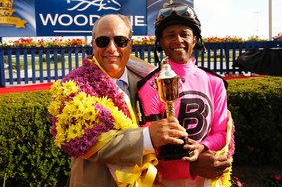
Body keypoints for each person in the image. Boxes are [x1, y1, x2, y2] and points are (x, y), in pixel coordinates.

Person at [49, 13, 232, 187]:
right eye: (103, 41)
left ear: (130, 44)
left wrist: (198, 154)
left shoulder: (147, 80)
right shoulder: (74, 88)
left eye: (120, 41)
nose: (111, 48)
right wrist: (147, 137)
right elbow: (92, 142)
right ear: (93, 44)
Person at [137, 2, 235, 186]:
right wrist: (190, 166)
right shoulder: (149, 85)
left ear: (195, 39)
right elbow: (152, 143)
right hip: (165, 180)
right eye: (170, 35)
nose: (178, 40)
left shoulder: (215, 82)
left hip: (206, 177)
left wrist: (201, 147)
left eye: (185, 34)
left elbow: (221, 132)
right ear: (161, 42)